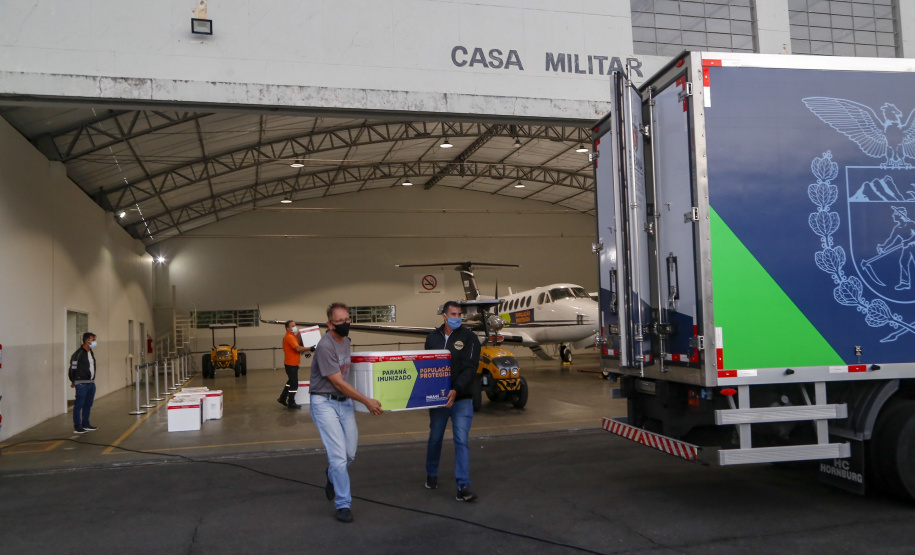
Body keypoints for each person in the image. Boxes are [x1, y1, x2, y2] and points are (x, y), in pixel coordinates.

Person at [310, 302, 383, 523]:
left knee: (349, 454)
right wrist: (366, 401)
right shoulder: (325, 346)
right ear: (330, 324)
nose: (345, 324)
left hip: (344, 403)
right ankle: (343, 504)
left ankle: (332, 474)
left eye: (347, 319)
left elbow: (350, 375)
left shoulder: (347, 342)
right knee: (339, 458)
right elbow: (338, 382)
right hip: (324, 403)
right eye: (339, 321)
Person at [423, 300, 481, 502]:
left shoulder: (470, 338)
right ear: (444, 316)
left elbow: (470, 368)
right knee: (435, 438)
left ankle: (463, 485)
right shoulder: (432, 338)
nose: (457, 318)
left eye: (459, 315)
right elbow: (427, 368)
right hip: (439, 401)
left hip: (462, 398)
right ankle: (431, 474)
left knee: (461, 440)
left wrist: (456, 390)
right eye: (453, 314)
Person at [878, 206, 915, 291]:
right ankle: (905, 283)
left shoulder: (911, 224)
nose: (893, 215)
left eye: (895, 214)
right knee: (903, 262)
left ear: (901, 215)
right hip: (906, 247)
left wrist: (908, 241)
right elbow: (891, 239)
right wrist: (883, 247)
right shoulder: (897, 228)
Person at [278, 320, 313, 409]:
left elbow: (298, 345)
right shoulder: (290, 337)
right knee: (294, 384)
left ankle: (282, 398)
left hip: (291, 363)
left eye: (295, 325)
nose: (295, 327)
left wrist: (306, 351)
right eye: (292, 326)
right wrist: (310, 349)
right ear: (287, 328)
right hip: (291, 364)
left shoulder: (292, 336)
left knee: (290, 382)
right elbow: (297, 348)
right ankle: (291, 402)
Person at [68, 332, 99, 434]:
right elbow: (72, 368)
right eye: (93, 340)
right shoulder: (78, 354)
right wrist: (73, 380)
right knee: (79, 405)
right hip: (81, 383)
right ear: (87, 341)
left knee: (88, 404)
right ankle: (78, 426)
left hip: (91, 383)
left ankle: (86, 424)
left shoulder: (91, 353)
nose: (95, 342)